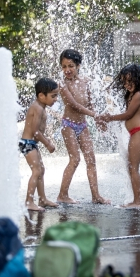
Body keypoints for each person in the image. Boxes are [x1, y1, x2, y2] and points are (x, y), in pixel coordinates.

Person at [57, 49, 110, 205]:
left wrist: (98, 121)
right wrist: (95, 115)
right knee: (75, 159)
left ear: (78, 65)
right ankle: (62, 195)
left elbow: (89, 103)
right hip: (68, 125)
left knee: (91, 160)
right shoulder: (61, 84)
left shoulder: (86, 81)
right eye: (64, 66)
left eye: (71, 66)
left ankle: (96, 196)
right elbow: (74, 105)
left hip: (82, 125)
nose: (67, 70)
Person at [97, 64, 140, 208]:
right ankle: (139, 200)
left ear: (138, 79)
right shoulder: (133, 94)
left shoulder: (139, 94)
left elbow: (128, 115)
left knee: (133, 167)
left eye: (130, 81)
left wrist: (110, 117)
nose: (127, 84)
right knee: (131, 167)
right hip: (136, 132)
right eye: (124, 82)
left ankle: (139, 202)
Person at [20, 78, 60, 211]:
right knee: (36, 171)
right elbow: (35, 132)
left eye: (57, 96)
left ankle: (42, 199)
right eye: (53, 96)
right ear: (41, 95)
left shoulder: (41, 107)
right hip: (28, 143)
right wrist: (48, 143)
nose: (56, 99)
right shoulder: (37, 108)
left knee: (41, 170)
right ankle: (29, 201)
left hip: (30, 143)